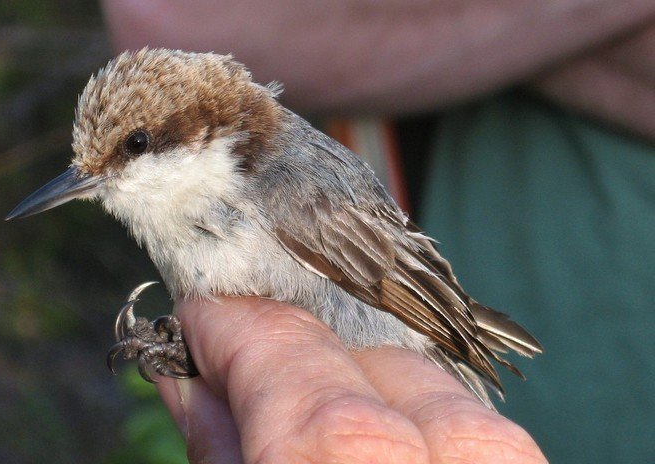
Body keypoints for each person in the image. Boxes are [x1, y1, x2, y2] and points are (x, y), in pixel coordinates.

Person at [103, 2, 655, 462]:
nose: (100, 181)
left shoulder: (283, 185)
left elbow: (393, 283)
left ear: (202, 131)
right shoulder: (187, 210)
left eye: (132, 151)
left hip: (427, 328)